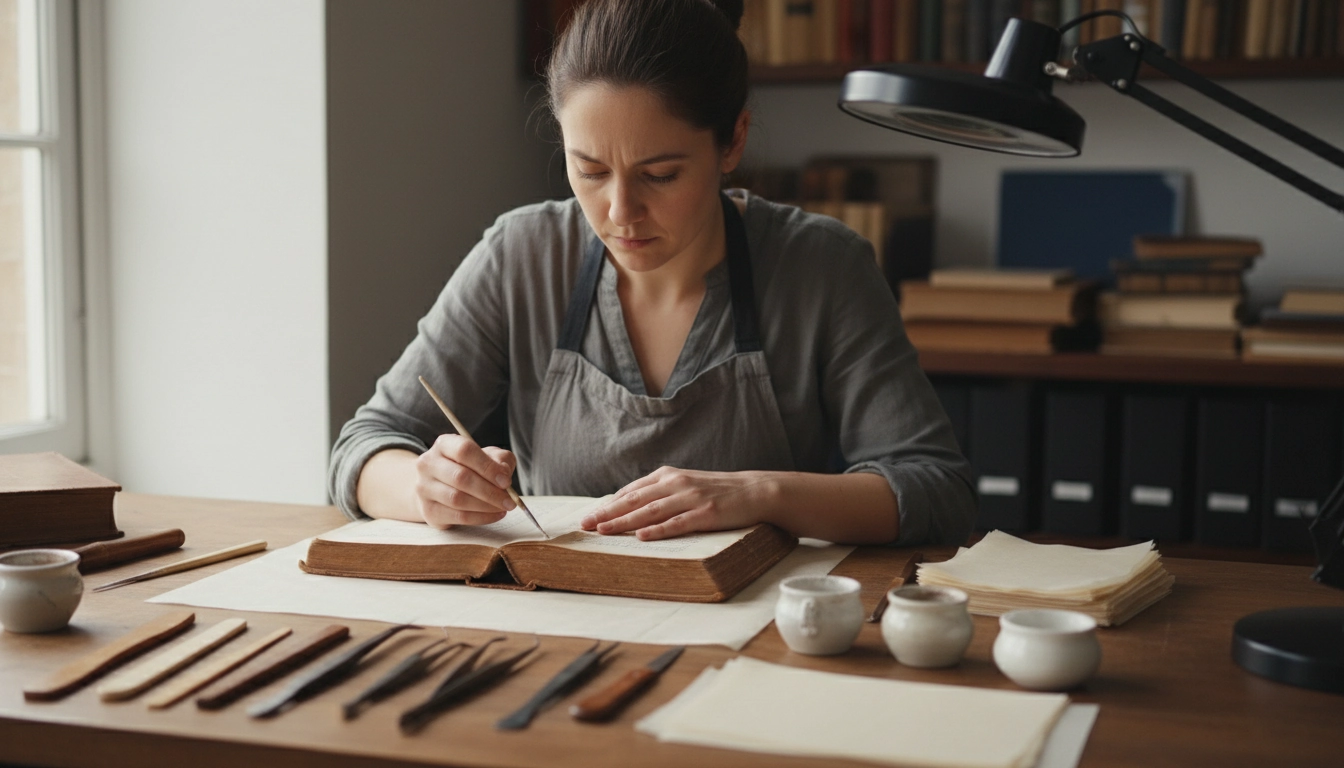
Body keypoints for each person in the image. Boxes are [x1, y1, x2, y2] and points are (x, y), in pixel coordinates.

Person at [329, 0, 975, 546]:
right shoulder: (520, 257)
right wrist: (425, 486)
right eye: (589, 169)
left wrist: (759, 493)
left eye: (660, 175)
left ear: (734, 141)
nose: (619, 212)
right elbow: (362, 446)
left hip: (752, 643)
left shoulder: (822, 267)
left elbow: (935, 486)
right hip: (562, 633)